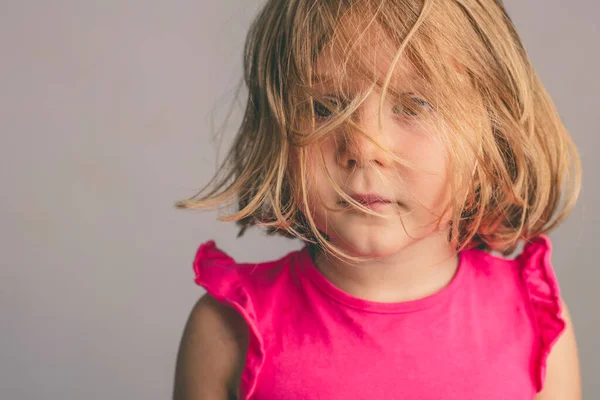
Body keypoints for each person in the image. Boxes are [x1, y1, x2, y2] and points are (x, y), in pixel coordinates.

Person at [173, 0, 582, 399]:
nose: (365, 147)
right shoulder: (227, 332)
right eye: (323, 107)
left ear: (492, 138)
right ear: (275, 133)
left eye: (415, 105)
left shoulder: (536, 323)